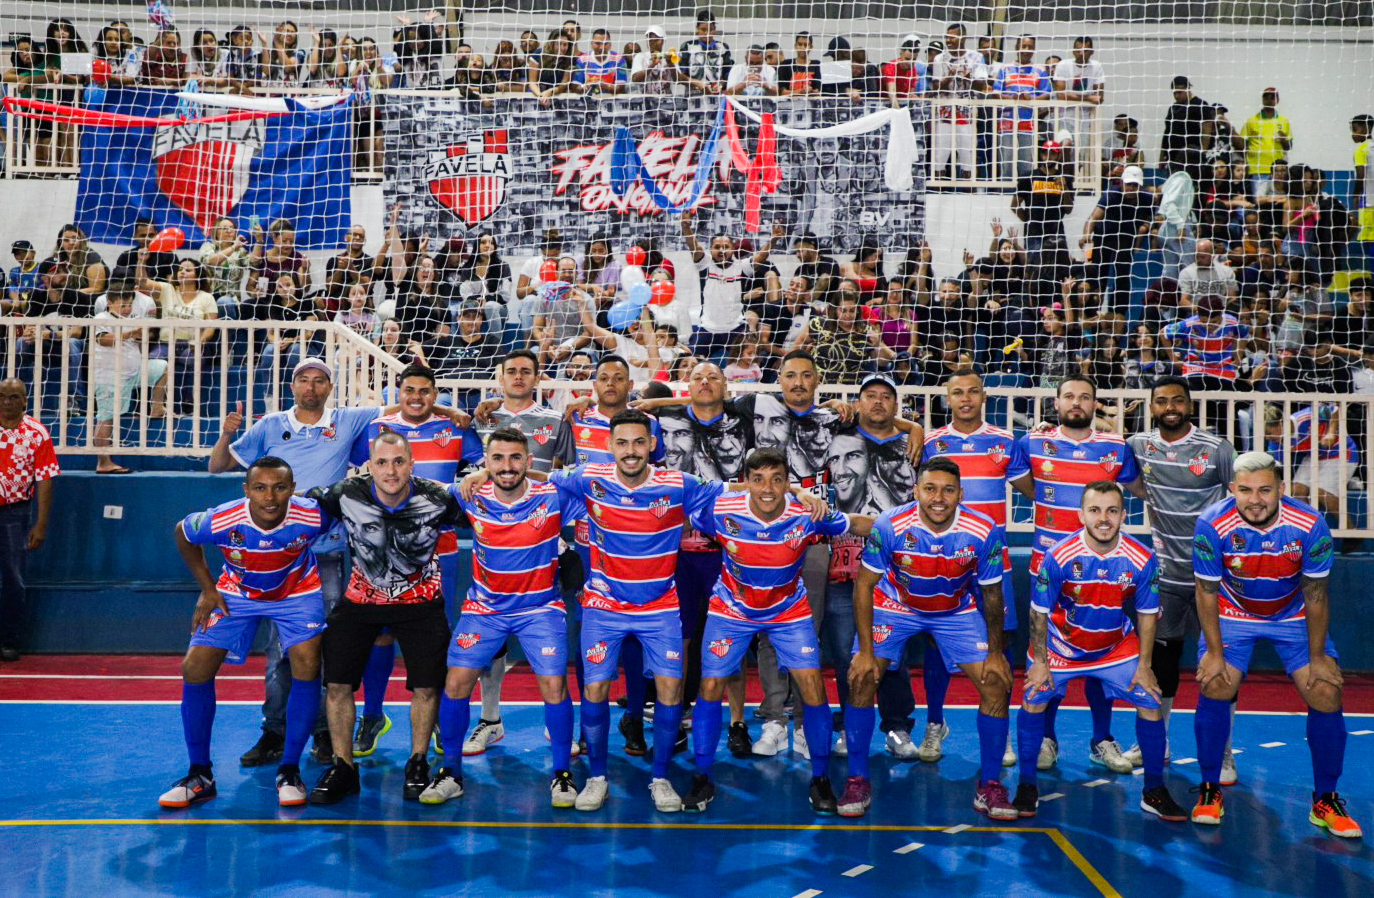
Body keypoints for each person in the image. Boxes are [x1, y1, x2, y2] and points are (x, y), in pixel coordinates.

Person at [527, 410, 731, 812]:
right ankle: (598, 777)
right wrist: (478, 477)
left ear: (653, 444)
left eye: (639, 442)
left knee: (671, 690)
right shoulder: (588, 477)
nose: (631, 451)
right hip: (604, 604)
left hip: (660, 605)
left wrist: (801, 497)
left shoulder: (679, 484)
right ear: (609, 446)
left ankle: (659, 778)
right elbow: (535, 481)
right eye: (622, 443)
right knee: (595, 689)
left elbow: (736, 493)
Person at [207, 358, 383, 766]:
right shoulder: (270, 424)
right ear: (292, 386)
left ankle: (324, 732)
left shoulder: (346, 419)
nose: (311, 387)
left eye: (320, 380)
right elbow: (218, 465)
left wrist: (454, 412)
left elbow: (405, 404)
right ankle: (275, 732)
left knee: (325, 647)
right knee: (279, 651)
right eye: (304, 379)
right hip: (276, 556)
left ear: (329, 386)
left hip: (327, 555)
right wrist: (226, 434)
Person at [685, 447, 871, 813]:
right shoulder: (720, 512)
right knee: (709, 685)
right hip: (731, 609)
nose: (767, 488)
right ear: (746, 483)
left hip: (788, 610)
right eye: (758, 479)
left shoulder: (808, 514)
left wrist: (909, 523)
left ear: (789, 483)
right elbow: (677, 511)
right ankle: (702, 777)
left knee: (812, 686)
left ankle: (819, 780)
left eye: (776, 480)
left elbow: (858, 524)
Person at [1189, 452, 1361, 838]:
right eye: (1246, 490)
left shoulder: (1309, 524)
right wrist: (1214, 653)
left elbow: (1316, 593)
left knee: (1326, 691)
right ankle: (1208, 789)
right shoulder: (1210, 523)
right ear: (1232, 489)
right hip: (1234, 613)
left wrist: (1318, 658)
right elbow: (1205, 591)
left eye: (1265, 489)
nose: (1255, 499)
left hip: (1293, 614)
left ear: (1281, 489)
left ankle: (1325, 800)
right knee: (1215, 683)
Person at [419, 427, 583, 807]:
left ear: (528, 460)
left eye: (514, 458)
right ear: (485, 462)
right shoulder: (469, 497)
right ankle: (451, 772)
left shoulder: (553, 496)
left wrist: (542, 474)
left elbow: (593, 483)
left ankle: (561, 774)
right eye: (497, 459)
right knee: (456, 682)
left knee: (553, 685)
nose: (506, 467)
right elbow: (414, 492)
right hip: (485, 609)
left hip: (539, 608)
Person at [842, 458, 1013, 819]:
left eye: (948, 490)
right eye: (930, 488)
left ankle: (991, 785)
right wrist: (866, 652)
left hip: (954, 609)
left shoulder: (984, 529)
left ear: (960, 494)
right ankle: (857, 779)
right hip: (896, 605)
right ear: (916, 490)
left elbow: (993, 596)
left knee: (996, 682)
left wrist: (996, 654)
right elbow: (864, 586)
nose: (939, 498)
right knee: (861, 677)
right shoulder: (890, 524)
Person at [158, 458, 329, 809]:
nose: (270, 497)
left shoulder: (312, 515)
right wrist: (207, 588)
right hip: (237, 591)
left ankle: (289, 770)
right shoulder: (224, 518)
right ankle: (199, 774)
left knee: (308, 663)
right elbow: (182, 532)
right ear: (246, 490)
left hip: (296, 592)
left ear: (292, 488)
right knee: (194, 667)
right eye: (261, 488)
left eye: (280, 487)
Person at [306, 432, 468, 804]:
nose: (390, 471)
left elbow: (488, 520)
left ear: (412, 464)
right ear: (369, 465)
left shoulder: (438, 498)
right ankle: (344, 766)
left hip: (422, 601)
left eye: (398, 462)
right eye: (382, 462)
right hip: (361, 599)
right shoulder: (345, 494)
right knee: (337, 684)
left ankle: (417, 762)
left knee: (427, 686)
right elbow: (294, 510)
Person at [1013, 482, 1187, 822]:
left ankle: (1153, 790)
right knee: (1033, 696)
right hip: (1061, 644)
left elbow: (1147, 614)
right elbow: (1038, 613)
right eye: (1095, 510)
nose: (1103, 519)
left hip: (1114, 645)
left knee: (1150, 699)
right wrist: (1040, 664)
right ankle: (1026, 785)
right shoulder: (1059, 556)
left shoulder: (1142, 557)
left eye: (1111, 511)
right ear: (1081, 515)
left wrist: (1146, 665)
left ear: (1124, 515)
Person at [1009, 375, 1146, 773]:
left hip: (1105, 573)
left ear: (1094, 405)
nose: (1076, 402)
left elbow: (1139, 487)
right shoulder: (1032, 443)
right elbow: (1030, 489)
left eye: (1085, 397)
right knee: (1046, 658)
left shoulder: (1115, 447)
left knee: (1101, 653)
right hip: (1048, 571)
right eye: (1069, 396)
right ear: (1056, 403)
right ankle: (1047, 738)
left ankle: (1101, 739)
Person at [346, 364, 482, 757]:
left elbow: (480, 467)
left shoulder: (455, 429)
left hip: (439, 547)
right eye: (410, 390)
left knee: (436, 634)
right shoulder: (377, 428)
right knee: (381, 632)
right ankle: (373, 715)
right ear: (399, 391)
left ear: (435, 393)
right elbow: (355, 467)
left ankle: (437, 714)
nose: (417, 397)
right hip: (380, 549)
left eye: (425, 391)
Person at [461, 350, 575, 753]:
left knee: (547, 637)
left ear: (537, 376)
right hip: (496, 539)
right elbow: (474, 470)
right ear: (500, 376)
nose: (518, 377)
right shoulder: (483, 419)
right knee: (489, 641)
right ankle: (490, 719)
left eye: (526, 371)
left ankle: (554, 722)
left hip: (543, 542)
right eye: (511, 371)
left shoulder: (555, 420)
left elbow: (567, 475)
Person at [1123, 377, 1237, 777]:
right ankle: (1159, 741)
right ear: (1151, 406)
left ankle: (1224, 752)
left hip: (1214, 576)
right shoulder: (1139, 445)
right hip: (1167, 574)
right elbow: (1131, 481)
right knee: (1163, 660)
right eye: (1161, 401)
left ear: (1189, 405)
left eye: (1177, 400)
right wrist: (1152, 496)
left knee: (1221, 662)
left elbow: (1239, 495)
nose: (1169, 406)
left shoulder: (1216, 448)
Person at [920, 370, 1029, 764]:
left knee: (1001, 645)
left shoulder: (1004, 441)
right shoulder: (932, 442)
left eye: (972, 392)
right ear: (947, 398)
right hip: (943, 563)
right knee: (936, 643)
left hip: (992, 564)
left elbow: (1034, 490)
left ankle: (1002, 728)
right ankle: (934, 724)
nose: (965, 398)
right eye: (957, 393)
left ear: (984, 396)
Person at [821, 375, 924, 761]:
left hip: (897, 569)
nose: (879, 403)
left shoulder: (913, 444)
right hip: (843, 565)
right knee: (849, 654)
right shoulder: (836, 435)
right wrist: (832, 406)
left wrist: (913, 426)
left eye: (887, 397)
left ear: (897, 408)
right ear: (858, 402)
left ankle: (896, 726)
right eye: (871, 396)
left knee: (891, 653)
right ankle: (852, 723)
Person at [0, 380, 57, 661]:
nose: (7, 402)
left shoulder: (36, 433)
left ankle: (8, 641)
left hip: (15, 513)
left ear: (24, 401)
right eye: (2, 396)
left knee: (14, 579)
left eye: (13, 397)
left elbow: (44, 479)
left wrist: (40, 523)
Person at [680, 214, 784, 366]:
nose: (722, 251)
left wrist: (773, 240)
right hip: (708, 329)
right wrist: (686, 227)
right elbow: (693, 245)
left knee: (752, 359)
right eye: (717, 247)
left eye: (726, 247)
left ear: (733, 249)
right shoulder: (704, 264)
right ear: (710, 249)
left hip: (735, 328)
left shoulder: (741, 267)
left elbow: (761, 256)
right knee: (690, 361)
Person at [1238, 88, 1291, 196]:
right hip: (1257, 170)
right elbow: (1242, 145)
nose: (1269, 100)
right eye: (1266, 97)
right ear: (1262, 100)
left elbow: (1289, 146)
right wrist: (1245, 165)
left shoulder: (1283, 121)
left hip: (1278, 172)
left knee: (1278, 203)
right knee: (1260, 202)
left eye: (1272, 97)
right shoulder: (1252, 120)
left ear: (1277, 100)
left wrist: (1283, 140)